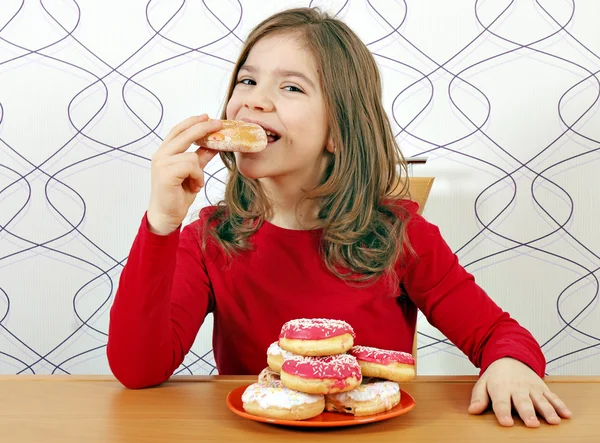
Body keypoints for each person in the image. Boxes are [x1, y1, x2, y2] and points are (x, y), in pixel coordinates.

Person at [106, 7, 571, 428]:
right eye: (246, 81)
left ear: (339, 133)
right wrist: (161, 224)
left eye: (290, 87)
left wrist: (510, 364)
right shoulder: (211, 239)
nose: (254, 101)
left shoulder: (401, 236)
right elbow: (137, 369)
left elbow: (498, 333)